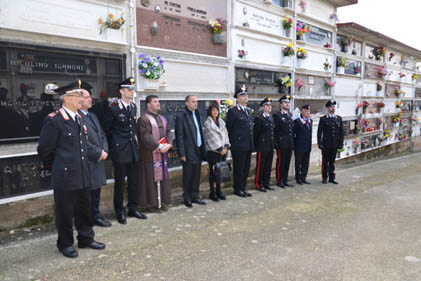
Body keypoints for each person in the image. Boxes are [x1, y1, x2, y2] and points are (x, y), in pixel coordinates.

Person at [37, 79, 105, 258]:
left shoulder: (79, 118)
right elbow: (45, 150)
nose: (81, 99)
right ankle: (65, 244)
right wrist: (61, 167)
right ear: (66, 98)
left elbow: (83, 146)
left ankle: (86, 238)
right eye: (78, 96)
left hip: (83, 173)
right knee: (65, 212)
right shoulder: (55, 120)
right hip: (65, 176)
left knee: (84, 208)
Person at [103, 77, 147, 224]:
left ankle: (133, 208)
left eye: (133, 89)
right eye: (129, 89)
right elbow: (107, 131)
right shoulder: (113, 108)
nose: (132, 91)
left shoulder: (133, 107)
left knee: (134, 181)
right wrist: (113, 149)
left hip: (132, 150)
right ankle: (119, 211)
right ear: (121, 91)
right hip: (120, 151)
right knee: (120, 183)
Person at [79, 83, 111, 227]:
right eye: (87, 98)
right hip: (88, 160)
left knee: (96, 191)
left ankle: (95, 216)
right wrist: (98, 153)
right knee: (87, 194)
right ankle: (88, 219)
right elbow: (82, 141)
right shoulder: (77, 117)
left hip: (98, 159)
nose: (91, 100)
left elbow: (102, 134)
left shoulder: (92, 116)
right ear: (79, 100)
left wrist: (104, 150)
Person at [136, 95, 173, 212]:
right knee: (151, 180)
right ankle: (152, 204)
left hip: (163, 154)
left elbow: (169, 132)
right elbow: (145, 136)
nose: (158, 103)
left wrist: (169, 144)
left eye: (158, 101)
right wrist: (159, 146)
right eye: (155, 101)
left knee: (163, 179)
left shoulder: (163, 118)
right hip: (150, 156)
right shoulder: (143, 119)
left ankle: (163, 201)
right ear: (148, 105)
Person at [175, 95, 207, 208]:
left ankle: (195, 196)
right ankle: (187, 197)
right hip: (188, 150)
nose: (195, 103)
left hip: (198, 149)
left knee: (196, 175)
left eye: (196, 101)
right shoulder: (181, 116)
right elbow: (179, 136)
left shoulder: (197, 114)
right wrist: (182, 153)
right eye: (193, 101)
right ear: (187, 103)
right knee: (188, 175)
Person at [226, 84, 253, 198]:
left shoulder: (247, 111)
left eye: (246, 95)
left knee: (246, 168)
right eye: (242, 95)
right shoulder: (233, 111)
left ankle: (243, 187)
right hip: (238, 146)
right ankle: (238, 188)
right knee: (239, 168)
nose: (245, 97)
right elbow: (229, 128)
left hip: (248, 145)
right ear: (237, 98)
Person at [203, 103, 230, 201]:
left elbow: (226, 134)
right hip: (213, 151)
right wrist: (219, 149)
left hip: (223, 150)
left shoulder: (222, 122)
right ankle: (212, 192)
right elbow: (210, 137)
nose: (215, 112)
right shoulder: (208, 123)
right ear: (210, 112)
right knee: (213, 172)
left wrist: (226, 146)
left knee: (220, 171)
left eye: (216, 110)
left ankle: (219, 191)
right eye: (213, 110)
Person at [317, 100, 344, 184]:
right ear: (328, 108)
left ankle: (332, 178)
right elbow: (319, 132)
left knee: (332, 162)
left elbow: (341, 132)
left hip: (335, 144)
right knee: (325, 162)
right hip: (326, 144)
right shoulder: (323, 119)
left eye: (333, 107)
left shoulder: (338, 118)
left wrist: (341, 143)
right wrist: (320, 143)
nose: (333, 108)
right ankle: (324, 177)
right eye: (331, 107)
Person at [253, 97, 275, 192]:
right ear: (262, 107)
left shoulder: (270, 117)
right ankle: (259, 183)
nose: (269, 107)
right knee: (260, 166)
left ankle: (266, 183)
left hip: (270, 145)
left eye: (270, 105)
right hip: (262, 146)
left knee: (268, 165)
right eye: (267, 105)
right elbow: (256, 133)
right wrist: (257, 146)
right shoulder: (259, 118)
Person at [273, 95, 294, 188]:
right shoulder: (277, 115)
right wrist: (276, 142)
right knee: (281, 162)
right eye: (285, 102)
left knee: (287, 162)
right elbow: (275, 130)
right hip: (281, 143)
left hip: (289, 142)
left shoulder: (289, 115)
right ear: (281, 105)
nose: (287, 104)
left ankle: (285, 179)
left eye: (288, 102)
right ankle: (279, 180)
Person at [293, 104, 313, 185]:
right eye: (306, 111)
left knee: (305, 163)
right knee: (298, 163)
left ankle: (303, 177)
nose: (308, 112)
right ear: (302, 112)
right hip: (299, 146)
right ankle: (298, 178)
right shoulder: (297, 121)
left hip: (307, 146)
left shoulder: (310, 121)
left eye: (308, 111)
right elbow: (294, 134)